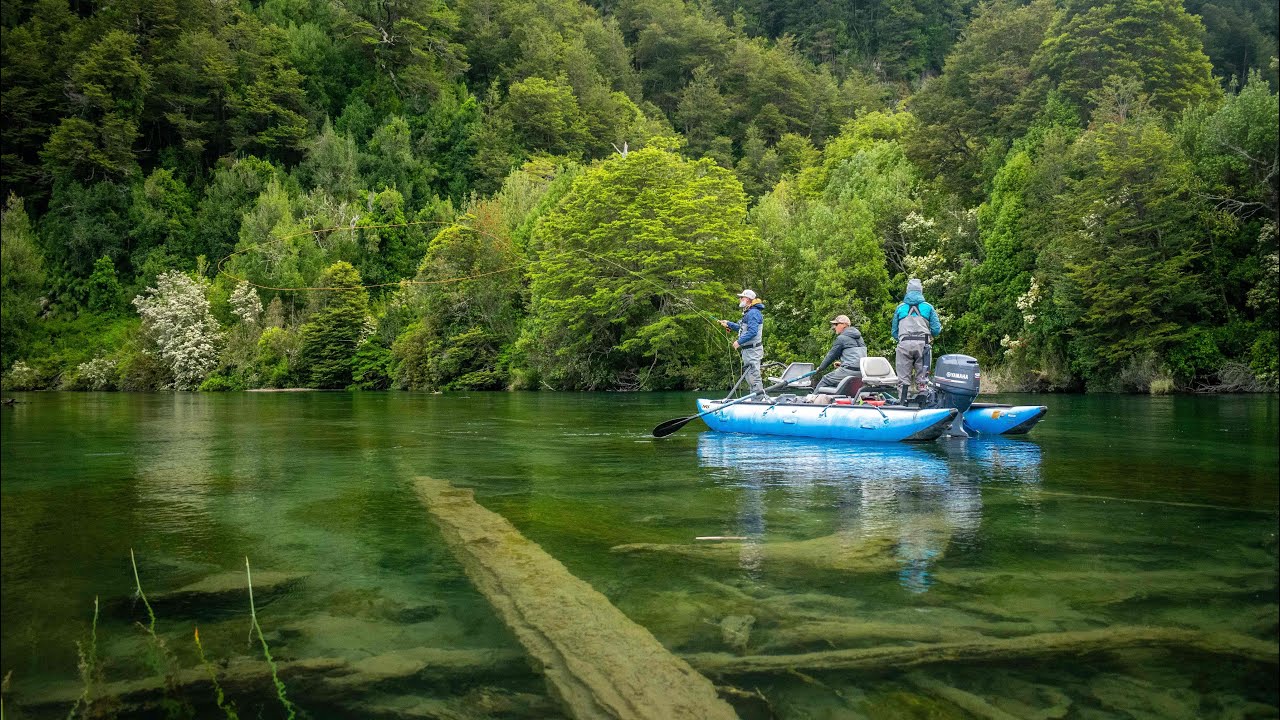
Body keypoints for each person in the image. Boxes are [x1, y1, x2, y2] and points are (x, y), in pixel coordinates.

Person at [891, 278, 942, 399]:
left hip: (904, 345)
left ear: (907, 291)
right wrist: (930, 336)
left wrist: (903, 339)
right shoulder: (928, 307)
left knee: (903, 379)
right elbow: (936, 329)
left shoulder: (900, 308)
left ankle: (903, 403)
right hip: (923, 345)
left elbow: (894, 332)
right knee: (922, 378)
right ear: (921, 291)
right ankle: (923, 404)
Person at [719, 289, 765, 396]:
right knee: (750, 376)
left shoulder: (753, 313)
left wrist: (738, 342)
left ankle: (759, 400)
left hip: (752, 350)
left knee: (754, 376)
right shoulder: (749, 312)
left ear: (748, 299)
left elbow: (753, 332)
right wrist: (728, 324)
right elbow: (741, 328)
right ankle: (756, 399)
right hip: (748, 350)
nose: (740, 299)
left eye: (741, 297)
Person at [815, 314, 867, 392]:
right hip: (862, 372)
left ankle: (811, 400)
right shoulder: (860, 338)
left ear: (844, 325)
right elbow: (857, 357)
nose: (834, 327)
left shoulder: (841, 338)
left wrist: (821, 368)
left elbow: (831, 356)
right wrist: (842, 364)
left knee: (825, 379)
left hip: (849, 371)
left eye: (836, 324)